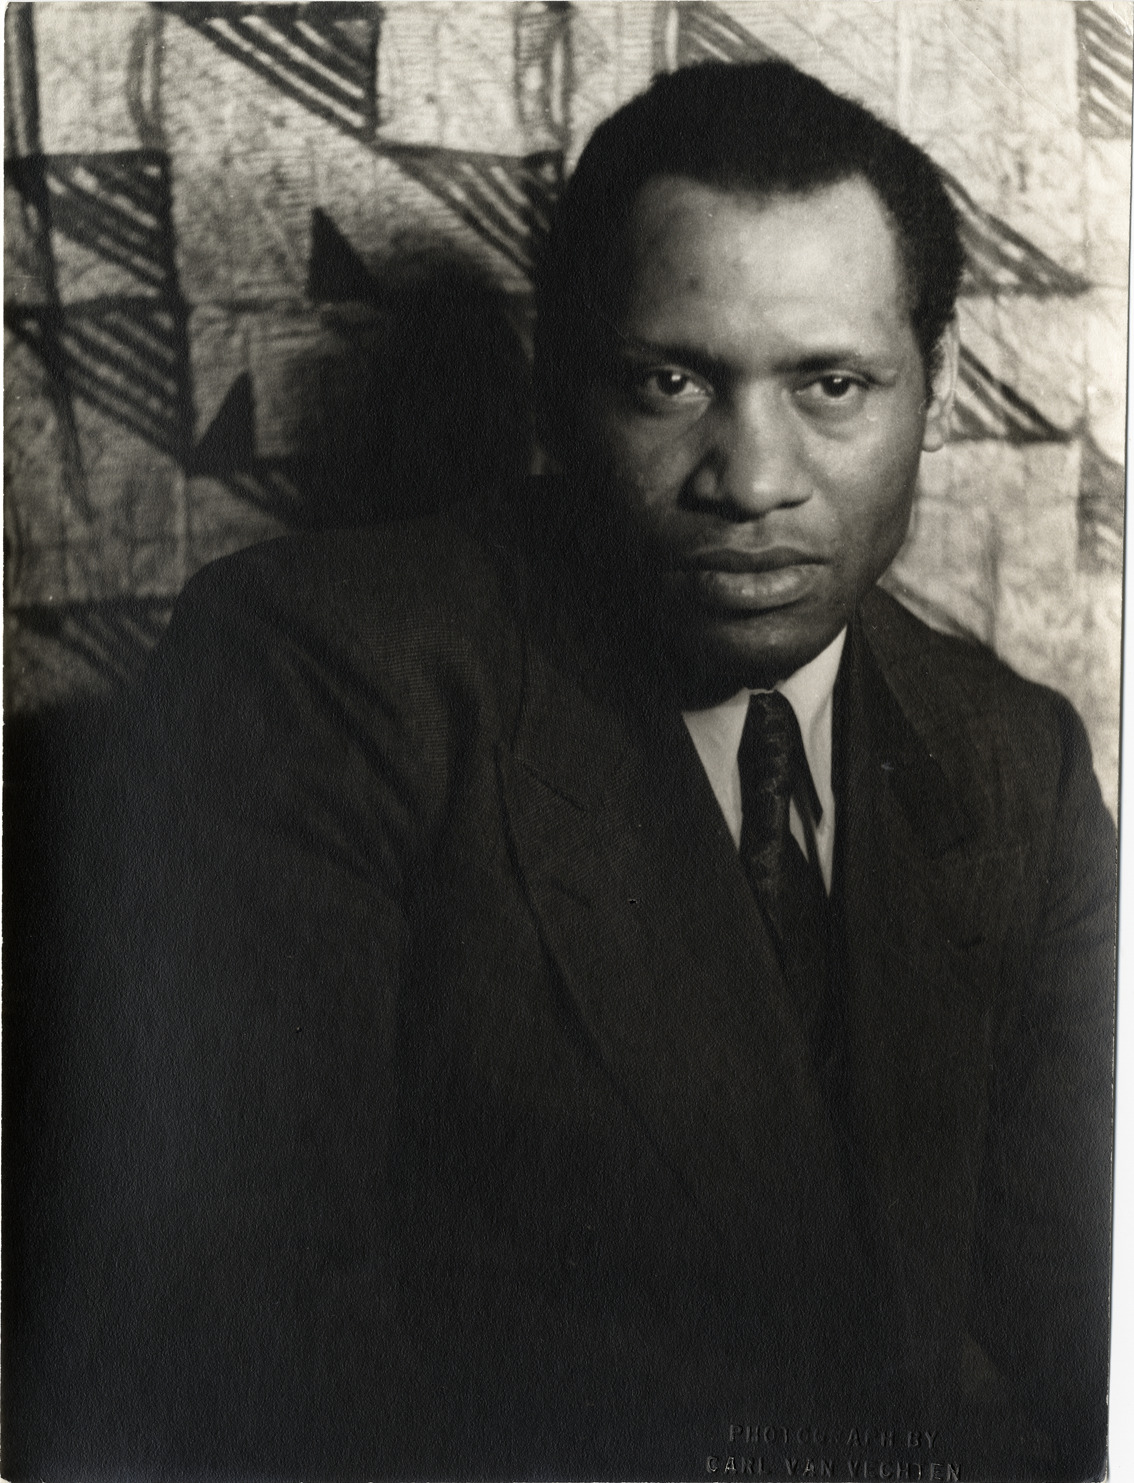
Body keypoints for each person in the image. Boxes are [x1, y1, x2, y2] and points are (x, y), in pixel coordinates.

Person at [26, 59, 1115, 1483]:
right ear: (558, 387)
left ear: (941, 386)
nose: (751, 478)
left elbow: (1070, 1369)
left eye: (832, 384)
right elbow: (242, 1355)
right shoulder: (316, 680)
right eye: (670, 381)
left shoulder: (1014, 759)